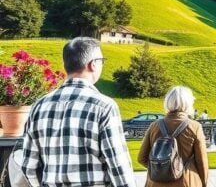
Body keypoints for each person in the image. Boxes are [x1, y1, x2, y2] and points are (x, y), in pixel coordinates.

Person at [21, 37, 136, 187]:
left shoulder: (39, 105)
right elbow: (119, 168)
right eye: (102, 61)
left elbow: (28, 168)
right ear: (93, 64)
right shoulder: (104, 106)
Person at [138, 86, 210, 187]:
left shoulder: (154, 126)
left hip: (156, 183)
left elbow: (141, 158)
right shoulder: (194, 127)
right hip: (186, 181)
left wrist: (162, 168)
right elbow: (202, 162)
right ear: (188, 103)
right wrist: (204, 183)